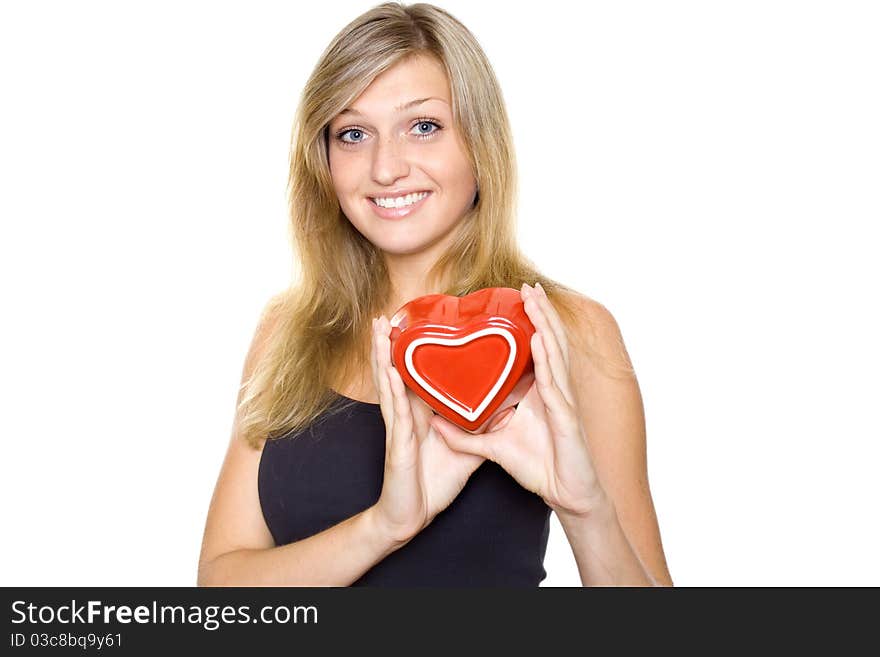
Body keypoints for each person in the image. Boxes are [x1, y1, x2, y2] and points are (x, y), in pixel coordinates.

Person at [197, 1, 673, 587]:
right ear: (323, 162)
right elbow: (221, 590)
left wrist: (586, 509)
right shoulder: (288, 330)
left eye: (423, 126)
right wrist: (385, 526)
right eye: (352, 133)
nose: (386, 168)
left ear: (480, 141)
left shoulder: (567, 329)